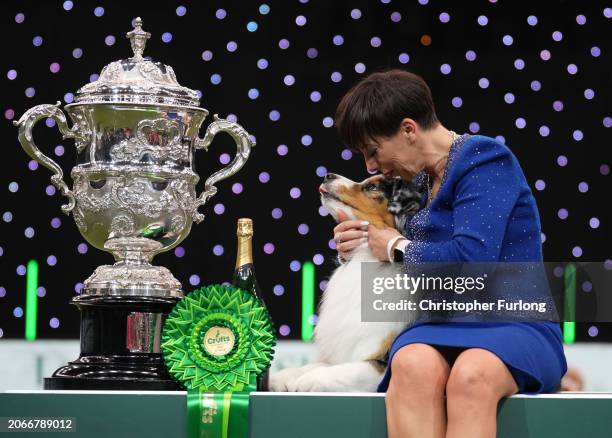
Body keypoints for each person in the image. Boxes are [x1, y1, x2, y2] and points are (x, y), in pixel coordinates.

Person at [332, 69, 567, 438]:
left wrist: (394, 246)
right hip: (439, 324)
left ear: (409, 129)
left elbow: (472, 260)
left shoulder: (485, 159)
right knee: (410, 364)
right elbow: (408, 251)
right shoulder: (419, 184)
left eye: (372, 150)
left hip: (513, 325)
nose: (370, 167)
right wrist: (363, 241)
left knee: (471, 374)